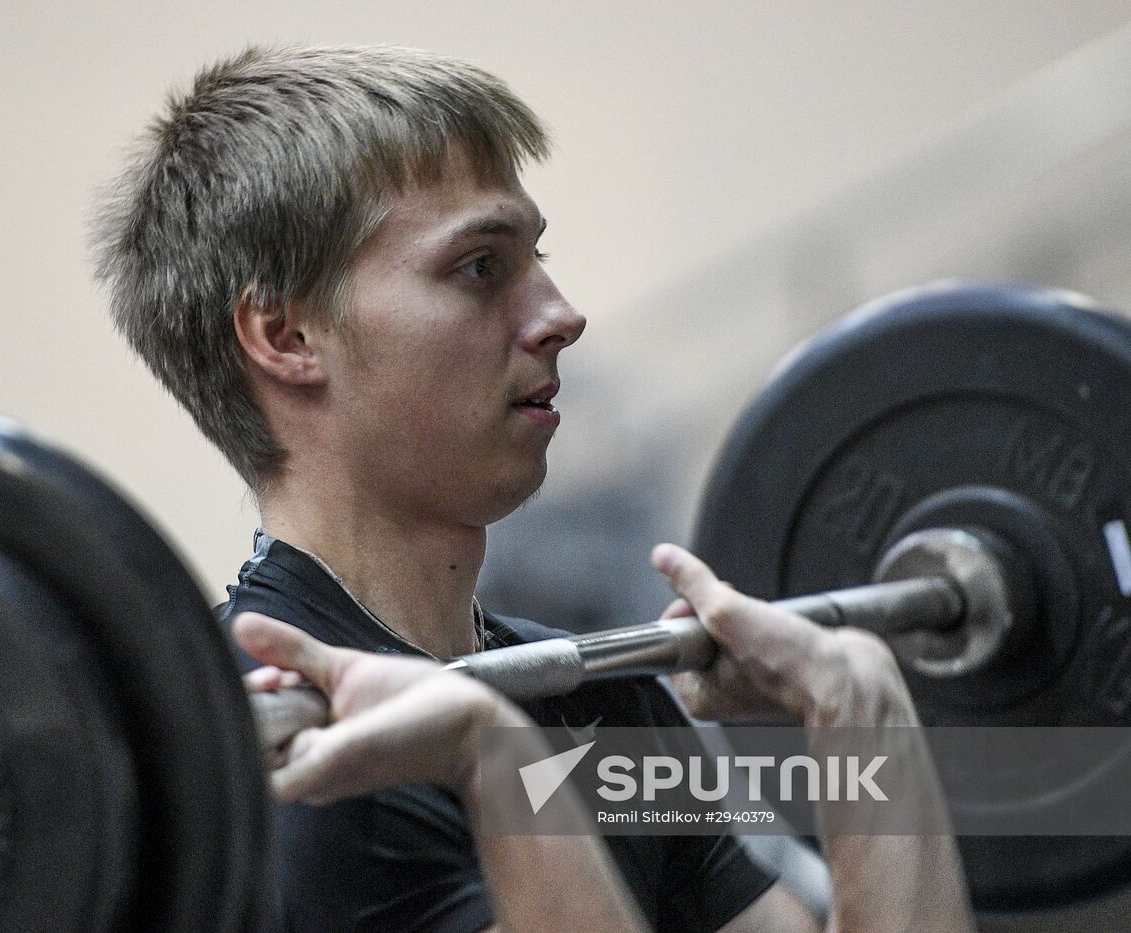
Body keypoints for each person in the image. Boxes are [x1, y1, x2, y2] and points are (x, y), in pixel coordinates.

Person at [92, 44, 973, 932]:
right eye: (480, 266)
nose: (561, 315)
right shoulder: (287, 749)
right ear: (286, 336)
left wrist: (863, 709)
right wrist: (494, 758)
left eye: (535, 258)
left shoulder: (596, 697)